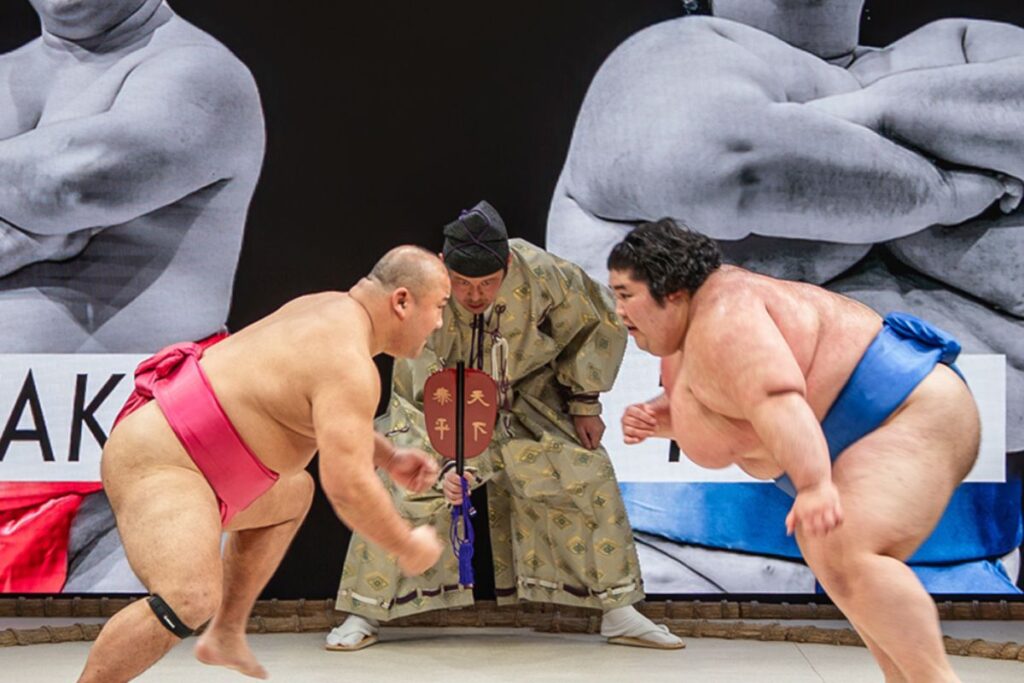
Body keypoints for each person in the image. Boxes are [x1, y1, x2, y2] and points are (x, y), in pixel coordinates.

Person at [547, 0, 1023, 593]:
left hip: (967, 568)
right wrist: (949, 186)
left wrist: (860, 117)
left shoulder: (969, 45)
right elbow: (739, 169)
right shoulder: (663, 60)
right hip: (680, 563)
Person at [611, 219, 979, 682]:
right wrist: (662, 418)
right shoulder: (688, 333)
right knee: (834, 555)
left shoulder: (726, 317)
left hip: (908, 410)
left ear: (673, 291)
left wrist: (814, 484)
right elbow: (731, 406)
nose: (618, 310)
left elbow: (778, 399)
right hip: (866, 429)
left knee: (848, 546)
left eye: (626, 295)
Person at [76, 246, 449, 683]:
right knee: (189, 596)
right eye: (439, 306)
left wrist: (389, 456)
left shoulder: (328, 309)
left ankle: (226, 634)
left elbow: (326, 418)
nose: (440, 323)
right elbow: (347, 486)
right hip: (164, 458)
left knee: (293, 494)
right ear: (402, 301)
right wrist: (405, 545)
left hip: (203, 466)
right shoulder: (347, 361)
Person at [328, 201, 683, 651]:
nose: (475, 295)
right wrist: (449, 461)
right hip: (441, 406)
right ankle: (365, 611)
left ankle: (618, 611)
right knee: (403, 480)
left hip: (526, 398)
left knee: (586, 471)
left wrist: (584, 401)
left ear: (508, 263)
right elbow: (416, 385)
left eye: (487, 283)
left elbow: (597, 321)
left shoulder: (543, 273)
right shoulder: (422, 293)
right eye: (462, 283)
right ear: (444, 266)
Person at [0, 0, 266, 593]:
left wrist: (52, 205)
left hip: (122, 494)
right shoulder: (7, 72)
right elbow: (54, 192)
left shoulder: (200, 74)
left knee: (107, 643)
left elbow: (69, 183)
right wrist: (44, 231)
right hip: (16, 457)